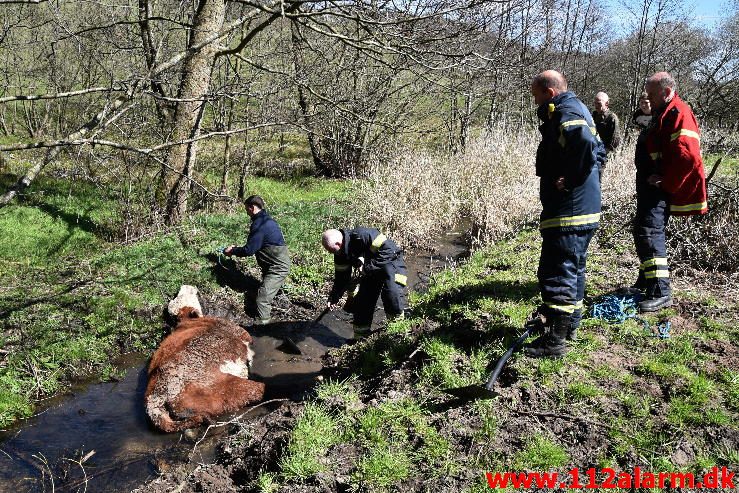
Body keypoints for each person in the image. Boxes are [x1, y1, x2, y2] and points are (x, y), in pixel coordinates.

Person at [526, 70, 605, 357]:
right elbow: (600, 151)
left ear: (549, 92)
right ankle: (569, 325)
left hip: (569, 211)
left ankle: (554, 341)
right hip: (583, 208)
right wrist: (589, 180)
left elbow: (584, 143)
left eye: (536, 95)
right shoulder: (580, 109)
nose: (534, 101)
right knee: (573, 268)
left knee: (556, 271)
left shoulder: (566, 112)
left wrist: (571, 180)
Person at [629, 72, 707, 312]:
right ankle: (646, 281)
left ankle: (660, 291)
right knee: (644, 228)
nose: (648, 99)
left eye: (651, 94)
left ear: (665, 91)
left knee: (649, 232)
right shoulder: (664, 111)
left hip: (658, 186)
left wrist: (666, 181)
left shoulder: (678, 112)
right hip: (650, 184)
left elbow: (688, 155)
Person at [321, 227, 407, 333]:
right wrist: (334, 297)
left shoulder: (364, 235)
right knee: (363, 303)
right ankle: (360, 338)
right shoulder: (340, 253)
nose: (331, 253)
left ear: (338, 244)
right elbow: (341, 278)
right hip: (370, 271)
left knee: (391, 294)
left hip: (390, 263)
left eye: (331, 250)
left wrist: (367, 267)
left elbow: (390, 251)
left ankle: (397, 331)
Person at [224, 195, 291, 325]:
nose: (246, 212)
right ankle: (277, 295)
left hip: (277, 268)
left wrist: (232, 251)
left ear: (252, 207)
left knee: (262, 299)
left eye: (246, 209)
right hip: (273, 265)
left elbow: (249, 250)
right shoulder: (266, 220)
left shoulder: (260, 225)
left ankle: (264, 327)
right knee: (264, 290)